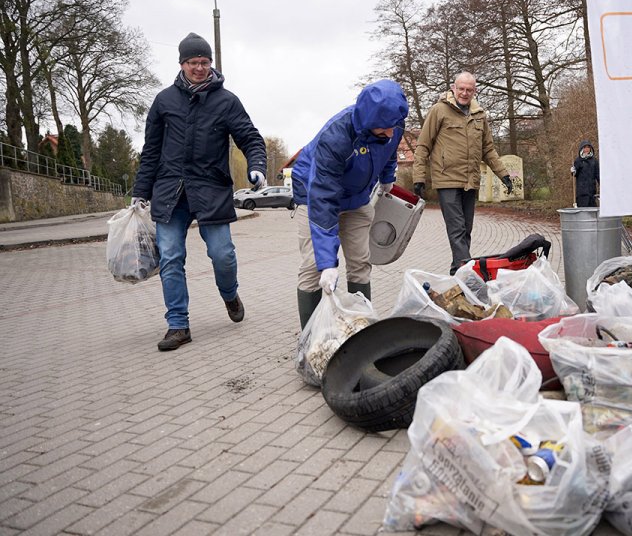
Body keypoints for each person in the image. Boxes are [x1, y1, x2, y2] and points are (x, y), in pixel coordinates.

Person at [132, 32, 267, 352]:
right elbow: (150, 151)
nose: (199, 68)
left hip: (211, 188)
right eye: (193, 62)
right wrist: (140, 192)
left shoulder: (226, 101)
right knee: (171, 256)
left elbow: (250, 137)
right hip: (170, 191)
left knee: (222, 253)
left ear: (211, 64)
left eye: (205, 62)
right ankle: (178, 325)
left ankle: (229, 293)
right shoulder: (164, 101)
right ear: (182, 64)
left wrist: (257, 165)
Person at [291, 79, 409, 328]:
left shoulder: (393, 125)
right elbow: (323, 198)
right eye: (384, 128)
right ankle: (311, 339)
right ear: (369, 120)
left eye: (393, 127)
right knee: (314, 268)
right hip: (313, 194)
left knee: (360, 262)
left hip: (356, 198)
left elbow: (388, 153)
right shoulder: (336, 137)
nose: (390, 133)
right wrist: (327, 263)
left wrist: (387, 179)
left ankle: (360, 331)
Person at [413, 71, 513, 274]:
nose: (465, 93)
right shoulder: (439, 111)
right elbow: (423, 146)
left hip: (470, 180)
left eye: (469, 90)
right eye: (461, 89)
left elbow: (488, 149)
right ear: (453, 88)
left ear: (474, 91)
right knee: (457, 228)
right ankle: (468, 274)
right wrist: (419, 177)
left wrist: (503, 175)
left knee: (466, 229)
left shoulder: (479, 115)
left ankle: (456, 269)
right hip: (446, 179)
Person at [571, 139, 599, 208]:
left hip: (592, 192)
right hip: (581, 193)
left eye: (588, 147)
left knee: (592, 211)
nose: (587, 149)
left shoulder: (594, 161)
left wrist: (603, 187)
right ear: (582, 149)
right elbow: (575, 174)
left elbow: (598, 175)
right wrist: (573, 171)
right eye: (585, 147)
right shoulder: (578, 160)